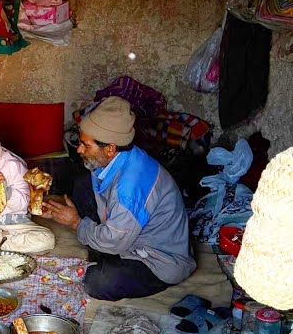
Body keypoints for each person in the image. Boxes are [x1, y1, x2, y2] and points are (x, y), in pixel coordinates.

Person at [42, 97, 193, 300]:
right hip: (129, 236)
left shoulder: (129, 190)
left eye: (86, 145)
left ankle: (105, 253)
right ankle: (102, 248)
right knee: (82, 182)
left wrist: (76, 223)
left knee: (97, 282)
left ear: (110, 148)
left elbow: (116, 240)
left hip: (158, 259)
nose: (79, 149)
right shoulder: (123, 156)